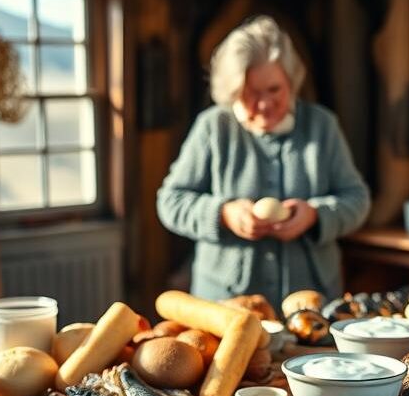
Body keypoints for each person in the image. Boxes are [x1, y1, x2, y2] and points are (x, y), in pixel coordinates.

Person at [156, 16, 371, 307]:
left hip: (313, 302)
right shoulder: (212, 127)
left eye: (274, 90)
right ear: (232, 92)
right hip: (225, 302)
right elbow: (171, 201)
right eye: (252, 93)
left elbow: (357, 199)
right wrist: (223, 214)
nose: (265, 104)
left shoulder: (322, 126)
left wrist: (315, 215)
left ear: (291, 82)